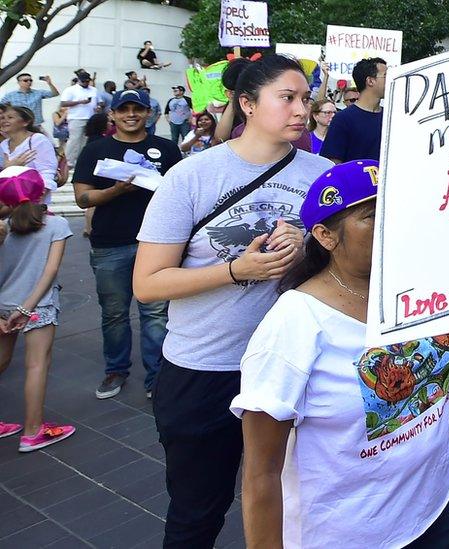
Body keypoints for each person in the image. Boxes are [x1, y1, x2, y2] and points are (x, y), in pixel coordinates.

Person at [132, 53, 332, 548]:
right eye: (286, 98)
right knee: (197, 512)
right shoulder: (193, 176)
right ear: (246, 103)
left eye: (305, 98)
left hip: (296, 365)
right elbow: (148, 283)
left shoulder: (322, 174)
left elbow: (346, 264)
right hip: (205, 368)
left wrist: (306, 248)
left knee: (295, 502)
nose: (301, 110)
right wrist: (234, 270)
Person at [231, 159, 449, 547]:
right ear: (325, 235)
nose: (392, 221)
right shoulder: (294, 324)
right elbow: (261, 474)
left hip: (435, 511)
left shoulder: (418, 286)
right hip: (349, 536)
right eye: (372, 215)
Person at [72, 89, 181, 400]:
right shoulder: (96, 149)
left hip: (159, 244)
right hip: (111, 243)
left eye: (137, 108)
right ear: (113, 115)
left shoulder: (166, 148)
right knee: (115, 312)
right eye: (124, 109)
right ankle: (116, 370)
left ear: (149, 113)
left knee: (156, 313)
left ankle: (157, 378)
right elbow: (82, 198)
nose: (130, 114)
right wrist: (116, 190)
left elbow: (181, 193)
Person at [0, 166, 75, 452]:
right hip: (37, 307)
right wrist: (26, 307)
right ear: (41, 190)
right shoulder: (55, 225)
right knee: (36, 365)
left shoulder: (3, 228)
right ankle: (33, 432)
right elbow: (51, 270)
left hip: (3, 306)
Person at [320, 57, 385, 163]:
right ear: (370, 81)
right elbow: (333, 163)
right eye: (386, 76)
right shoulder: (343, 119)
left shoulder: (391, 117)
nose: (391, 79)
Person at [0, 107, 58, 204]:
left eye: (10, 117)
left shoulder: (37, 140)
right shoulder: (3, 145)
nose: (4, 121)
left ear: (25, 122)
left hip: (33, 198)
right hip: (10, 201)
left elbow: (47, 170)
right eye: (2, 118)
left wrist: (40, 197)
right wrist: (8, 168)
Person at [60, 70, 98, 168]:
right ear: (79, 80)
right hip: (76, 117)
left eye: (87, 81)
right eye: (84, 81)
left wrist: (98, 107)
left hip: (90, 117)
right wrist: (80, 102)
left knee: (85, 141)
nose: (86, 83)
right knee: (74, 139)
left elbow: (99, 102)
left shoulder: (93, 90)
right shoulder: (71, 90)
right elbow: (63, 103)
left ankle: (80, 161)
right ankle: (68, 162)